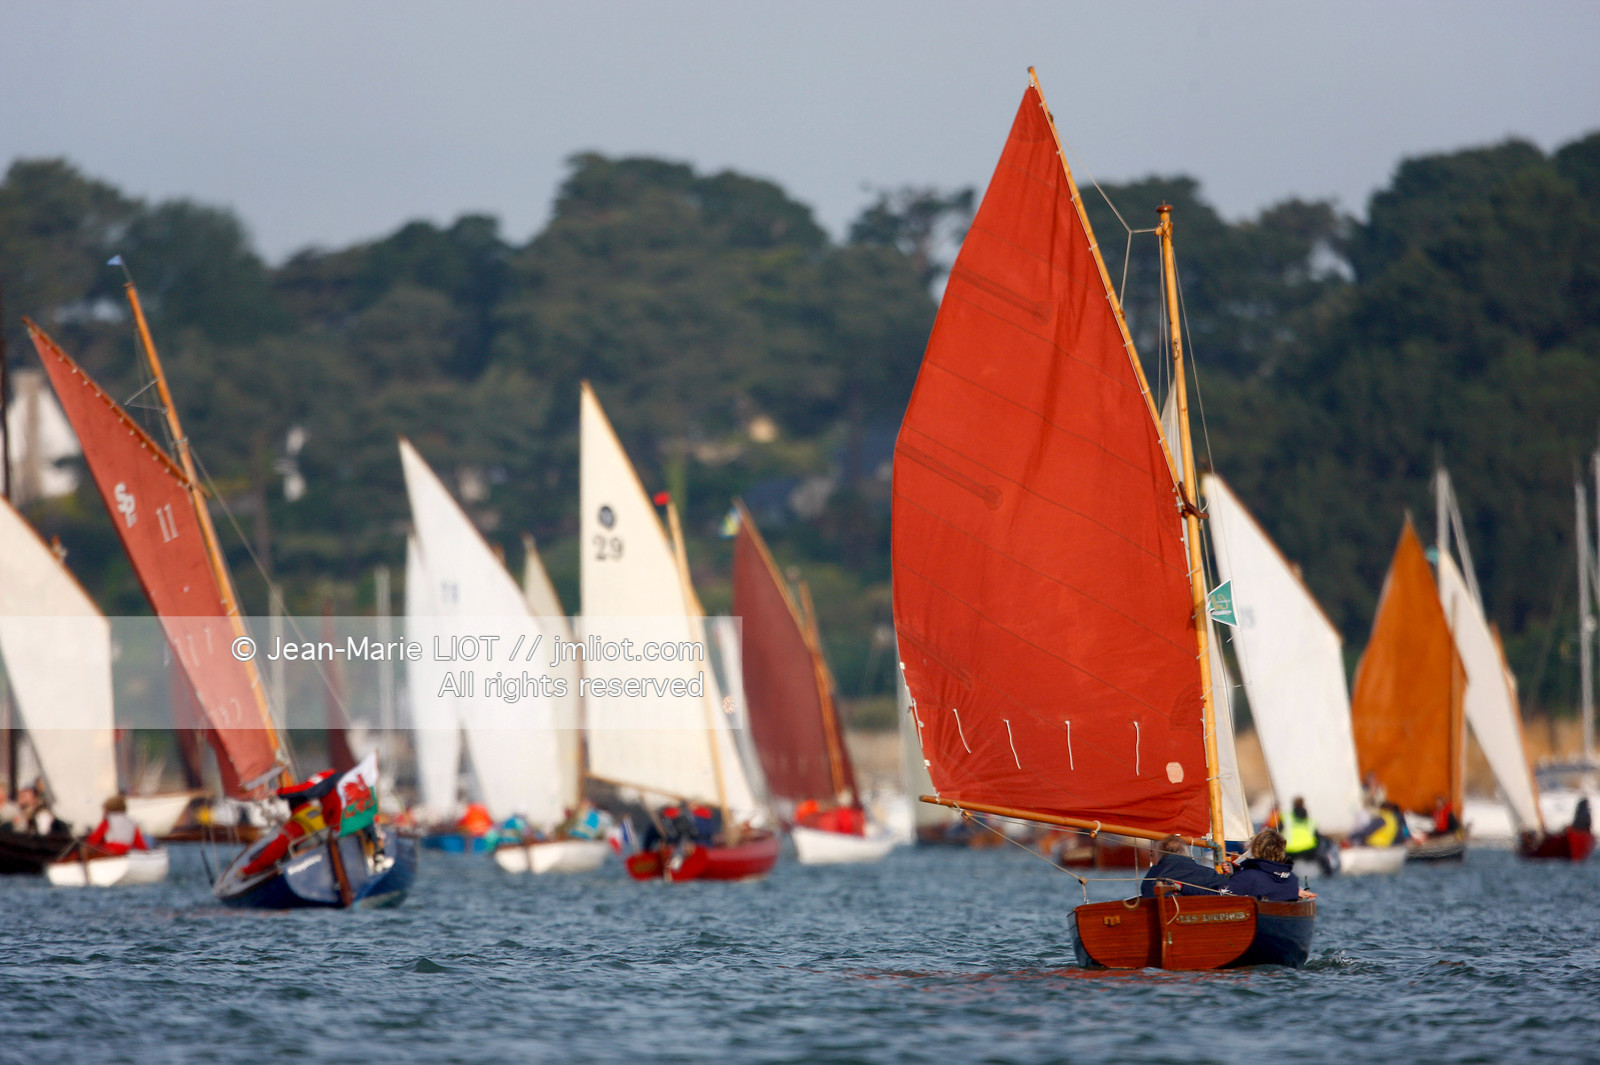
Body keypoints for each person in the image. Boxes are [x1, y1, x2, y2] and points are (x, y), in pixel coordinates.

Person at [1226, 828, 1312, 902]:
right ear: (1281, 850)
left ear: (1255, 850)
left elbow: (1221, 893)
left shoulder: (1248, 876)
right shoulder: (1291, 878)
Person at [1140, 835, 1233, 898]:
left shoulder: (1153, 874)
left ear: (1160, 854)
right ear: (1185, 851)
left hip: (1165, 915)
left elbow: (1147, 893)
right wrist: (1231, 872)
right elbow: (1227, 887)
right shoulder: (1205, 873)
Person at [85, 796, 152, 856]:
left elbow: (95, 838)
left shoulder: (108, 820)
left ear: (108, 808)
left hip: (109, 851)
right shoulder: (131, 822)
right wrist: (145, 852)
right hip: (125, 851)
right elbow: (139, 842)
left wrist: (87, 847)